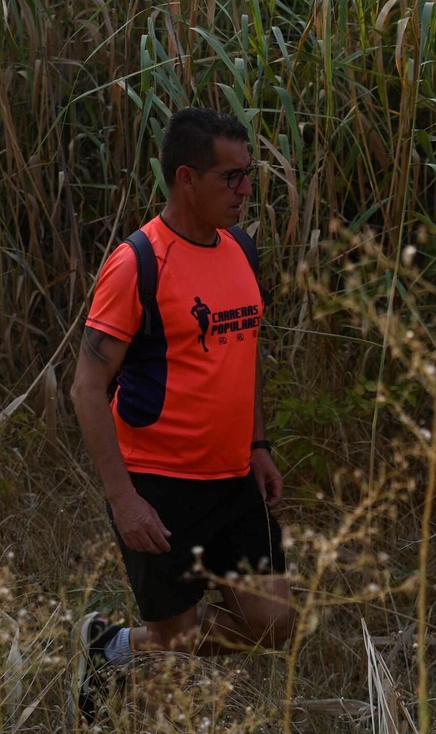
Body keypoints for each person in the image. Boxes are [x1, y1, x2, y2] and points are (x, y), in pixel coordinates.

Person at [70, 107, 291, 721]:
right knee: (174, 649)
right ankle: (117, 651)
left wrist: (258, 446)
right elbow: (87, 388)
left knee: (273, 622)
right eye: (232, 178)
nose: (246, 191)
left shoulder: (241, 248)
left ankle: (117, 646)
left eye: (249, 175)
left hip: (234, 478)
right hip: (160, 487)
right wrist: (123, 500)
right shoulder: (138, 262)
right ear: (186, 179)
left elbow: (242, 354)